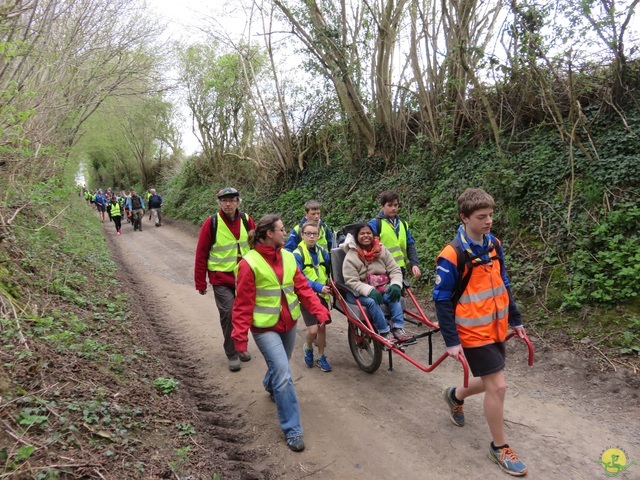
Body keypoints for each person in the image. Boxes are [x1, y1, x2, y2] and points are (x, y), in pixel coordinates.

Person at [433, 188, 528, 477]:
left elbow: (504, 281)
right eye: (481, 217)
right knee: (498, 386)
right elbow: (441, 299)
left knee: (490, 383)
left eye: (491, 215)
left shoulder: (493, 244)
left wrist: (516, 319)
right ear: (464, 217)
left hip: (496, 326)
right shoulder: (452, 255)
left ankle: (455, 395)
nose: (488, 221)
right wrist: (451, 341)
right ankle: (500, 448)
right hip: (471, 332)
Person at [232, 214, 330, 453]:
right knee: (285, 375)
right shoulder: (249, 263)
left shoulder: (287, 257)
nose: (285, 233)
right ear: (269, 234)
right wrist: (240, 337)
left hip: (288, 324)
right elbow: (243, 304)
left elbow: (303, 289)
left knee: (280, 367)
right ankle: (292, 430)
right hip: (264, 328)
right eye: (281, 230)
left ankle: (270, 384)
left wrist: (319, 311)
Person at [194, 187, 256, 372]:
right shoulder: (211, 223)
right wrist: (200, 281)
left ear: (238, 202)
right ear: (219, 203)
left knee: (244, 313)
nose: (228, 204)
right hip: (221, 278)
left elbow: (257, 246)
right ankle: (232, 353)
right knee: (229, 314)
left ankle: (241, 346)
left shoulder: (247, 220)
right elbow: (201, 253)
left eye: (231, 200)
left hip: (244, 278)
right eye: (224, 201)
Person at [342, 223, 413, 344]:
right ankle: (384, 330)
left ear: (373, 235)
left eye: (368, 233)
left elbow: (394, 269)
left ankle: (397, 327)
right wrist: (369, 291)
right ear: (356, 237)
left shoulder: (381, 250)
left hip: (381, 287)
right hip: (357, 293)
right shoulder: (351, 256)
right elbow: (351, 281)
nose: (366, 236)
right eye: (362, 233)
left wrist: (396, 284)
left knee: (393, 294)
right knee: (371, 301)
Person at [292, 221, 332, 372]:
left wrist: (329, 284)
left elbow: (329, 270)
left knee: (322, 327)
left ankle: (321, 356)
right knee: (313, 330)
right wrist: (318, 286)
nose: (311, 236)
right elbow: (299, 278)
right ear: (302, 235)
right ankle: (308, 347)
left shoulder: (322, 251)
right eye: (308, 233)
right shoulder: (297, 254)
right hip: (306, 296)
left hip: (322, 296)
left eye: (314, 233)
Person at [369, 190, 421, 279]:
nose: (393, 208)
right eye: (389, 205)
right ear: (382, 206)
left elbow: (410, 245)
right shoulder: (375, 224)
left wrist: (414, 264)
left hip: (400, 269)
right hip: (383, 270)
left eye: (395, 205)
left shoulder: (403, 224)